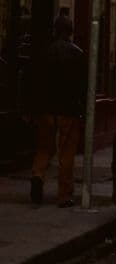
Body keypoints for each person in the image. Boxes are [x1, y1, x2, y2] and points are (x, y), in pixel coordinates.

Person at [29, 14, 86, 207]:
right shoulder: (77, 54)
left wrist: (34, 108)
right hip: (68, 110)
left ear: (55, 30)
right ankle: (64, 193)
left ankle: (37, 175)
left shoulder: (45, 52)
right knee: (66, 153)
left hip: (46, 109)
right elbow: (83, 86)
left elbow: (36, 82)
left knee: (44, 147)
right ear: (70, 31)